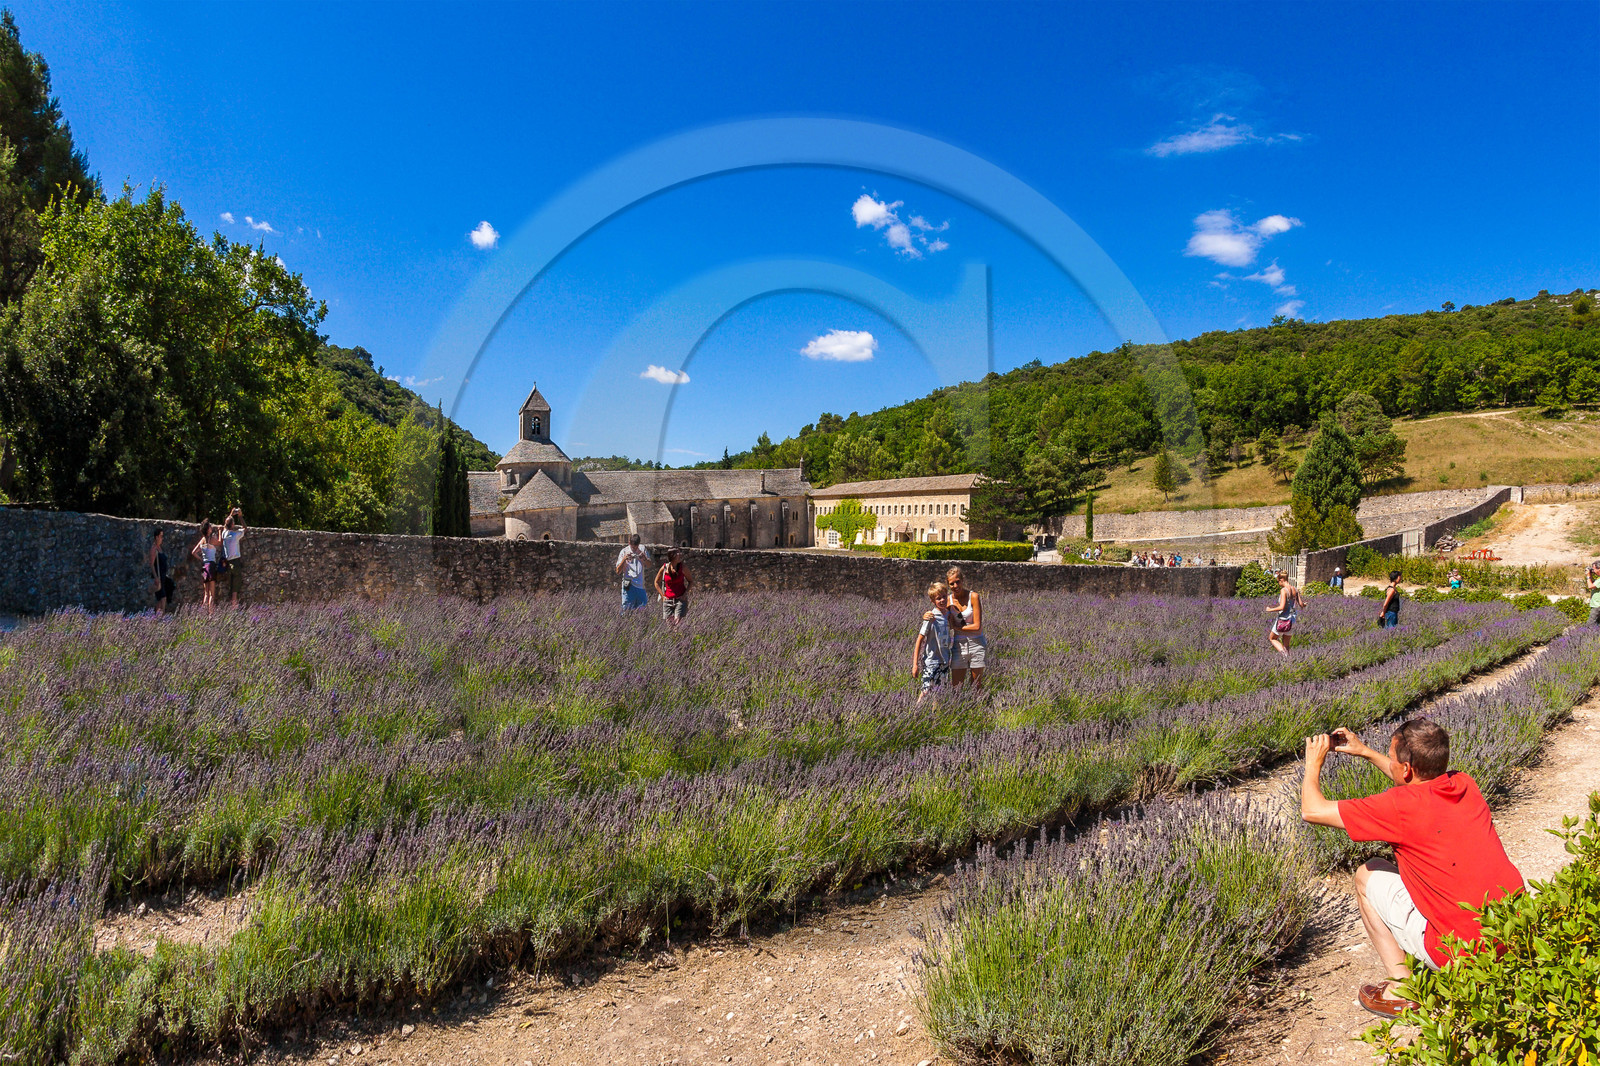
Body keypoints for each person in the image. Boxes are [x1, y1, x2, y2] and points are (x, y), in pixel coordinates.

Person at [1299, 719, 1523, 1019]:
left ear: (1406, 769)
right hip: (1511, 934)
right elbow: (1410, 777)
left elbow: (1312, 811)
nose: (1390, 763)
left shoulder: (1399, 806)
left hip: (1457, 952)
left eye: (1392, 757)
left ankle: (1402, 991)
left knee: (1368, 873)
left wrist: (1313, 763)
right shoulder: (1464, 783)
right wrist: (1365, 752)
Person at [911, 581, 956, 703]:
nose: (942, 600)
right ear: (933, 601)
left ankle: (935, 717)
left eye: (944, 597)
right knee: (925, 691)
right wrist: (915, 665)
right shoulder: (931, 617)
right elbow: (919, 640)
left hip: (945, 661)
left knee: (939, 693)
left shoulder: (948, 615)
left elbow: (960, 624)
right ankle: (915, 714)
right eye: (938, 598)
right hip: (931, 661)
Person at [946, 566, 987, 690]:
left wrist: (956, 627)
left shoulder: (973, 596)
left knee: (976, 686)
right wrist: (928, 615)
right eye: (951, 584)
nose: (955, 586)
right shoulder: (948, 600)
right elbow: (942, 619)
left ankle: (978, 708)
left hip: (977, 644)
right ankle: (957, 709)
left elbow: (977, 627)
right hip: (959, 645)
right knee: (956, 687)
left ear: (962, 580)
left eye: (957, 581)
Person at [1265, 569, 1306, 659]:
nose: (1278, 584)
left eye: (1278, 581)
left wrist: (1270, 609)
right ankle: (1288, 662)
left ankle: (1285, 656)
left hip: (1283, 619)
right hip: (1292, 620)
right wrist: (1305, 604)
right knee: (1286, 644)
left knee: (1272, 638)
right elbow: (1301, 605)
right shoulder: (1295, 589)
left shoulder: (1284, 590)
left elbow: (1282, 607)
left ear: (1282, 580)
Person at [614, 534, 651, 612]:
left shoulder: (642, 549)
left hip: (640, 584)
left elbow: (649, 565)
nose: (634, 549)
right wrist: (624, 559)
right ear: (629, 543)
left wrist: (644, 558)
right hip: (628, 583)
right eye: (632, 547)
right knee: (626, 609)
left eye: (636, 547)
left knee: (642, 608)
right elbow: (618, 571)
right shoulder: (624, 551)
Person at [190, 520, 221, 613]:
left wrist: (202, 559)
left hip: (205, 566)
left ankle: (202, 614)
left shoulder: (202, 540)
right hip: (211, 565)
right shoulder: (211, 539)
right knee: (212, 593)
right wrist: (220, 531)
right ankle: (211, 615)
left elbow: (194, 552)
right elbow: (220, 542)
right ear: (208, 529)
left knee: (206, 593)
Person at [655, 548, 691, 625]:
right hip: (668, 600)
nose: (680, 554)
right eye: (677, 553)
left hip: (680, 600)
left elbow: (691, 581)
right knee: (670, 626)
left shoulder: (683, 568)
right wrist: (662, 595)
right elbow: (656, 582)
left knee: (677, 625)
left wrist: (685, 594)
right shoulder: (664, 568)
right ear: (672, 556)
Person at [220, 508, 247, 607]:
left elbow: (224, 527)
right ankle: (234, 610)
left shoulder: (224, 534)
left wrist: (231, 514)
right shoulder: (235, 535)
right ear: (232, 525)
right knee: (235, 590)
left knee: (230, 587)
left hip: (227, 563)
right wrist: (240, 516)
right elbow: (245, 528)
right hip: (235, 563)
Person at [148, 529, 175, 613]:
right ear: (157, 537)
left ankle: (156, 617)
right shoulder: (154, 549)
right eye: (161, 536)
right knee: (163, 598)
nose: (162, 538)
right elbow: (151, 564)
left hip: (163, 577)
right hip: (158, 577)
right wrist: (156, 577)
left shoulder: (160, 548)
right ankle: (161, 618)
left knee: (161, 599)